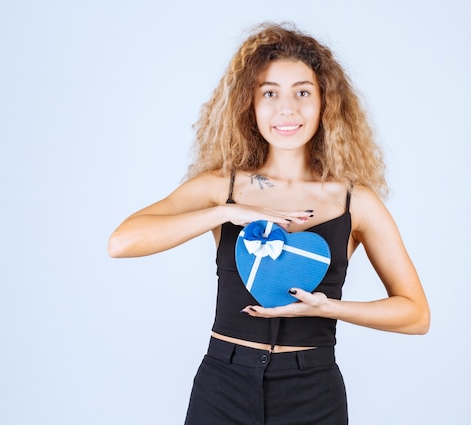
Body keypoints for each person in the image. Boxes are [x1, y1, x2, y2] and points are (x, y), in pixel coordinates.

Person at [108, 22, 429, 425]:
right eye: (270, 93)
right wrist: (228, 213)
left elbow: (416, 315)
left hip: (312, 390)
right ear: (251, 104)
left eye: (302, 92)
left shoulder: (355, 201)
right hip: (222, 384)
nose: (287, 109)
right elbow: (121, 242)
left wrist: (329, 308)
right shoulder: (220, 188)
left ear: (325, 103)